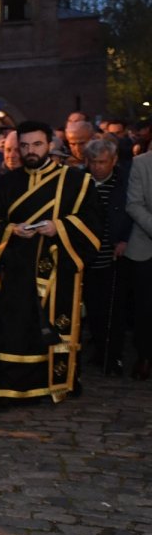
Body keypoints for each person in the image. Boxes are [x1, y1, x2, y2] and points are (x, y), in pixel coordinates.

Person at [0, 121, 101, 410]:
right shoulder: (6, 182)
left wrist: (58, 226)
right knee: (15, 329)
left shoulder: (76, 182)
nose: (30, 151)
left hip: (58, 269)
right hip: (18, 269)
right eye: (24, 145)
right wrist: (10, 231)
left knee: (54, 328)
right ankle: (10, 389)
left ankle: (57, 382)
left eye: (36, 144)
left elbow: (94, 224)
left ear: (50, 145)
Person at [80, 138, 132, 377]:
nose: (98, 167)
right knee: (91, 307)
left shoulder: (123, 182)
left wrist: (124, 239)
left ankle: (112, 355)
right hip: (86, 255)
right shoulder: (79, 181)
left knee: (112, 309)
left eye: (103, 162)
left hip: (112, 255)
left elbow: (131, 212)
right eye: (94, 162)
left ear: (113, 161)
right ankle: (97, 351)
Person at [126, 146, 152, 380]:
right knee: (145, 308)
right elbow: (133, 204)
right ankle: (144, 356)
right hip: (145, 247)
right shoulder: (141, 163)